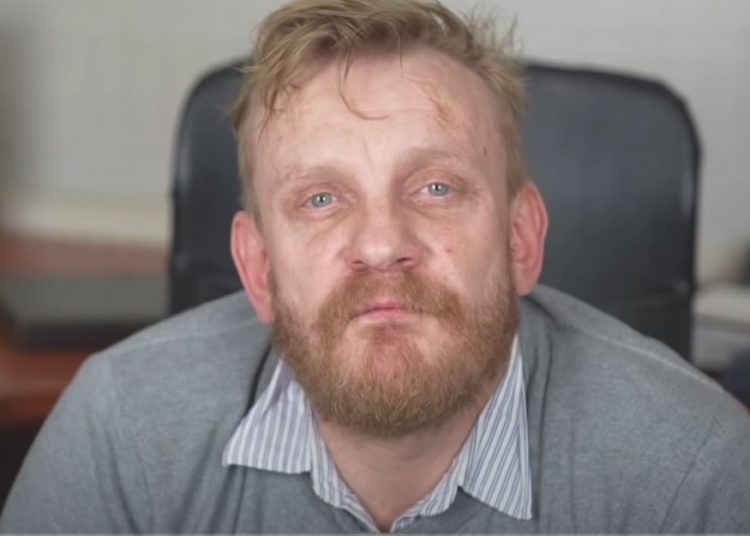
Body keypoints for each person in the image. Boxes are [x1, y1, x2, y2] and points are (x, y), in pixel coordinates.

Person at [2, 0, 750, 532]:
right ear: (258, 269)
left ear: (521, 240)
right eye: (321, 199)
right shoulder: (122, 434)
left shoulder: (690, 473)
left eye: (436, 187)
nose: (382, 243)